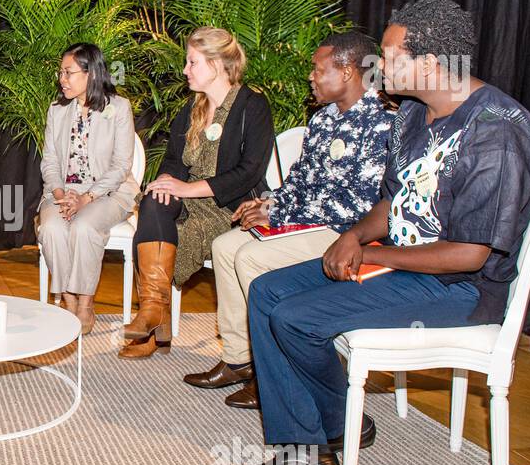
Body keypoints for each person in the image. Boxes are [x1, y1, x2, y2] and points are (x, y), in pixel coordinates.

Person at [230, 0, 530, 465]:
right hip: (404, 268)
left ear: (431, 64)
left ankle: (313, 450)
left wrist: (368, 253)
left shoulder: (496, 135)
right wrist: (355, 234)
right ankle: (332, 425)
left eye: (392, 55)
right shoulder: (415, 114)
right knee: (269, 291)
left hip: (460, 289)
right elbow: (394, 202)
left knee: (295, 319)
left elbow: (469, 254)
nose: (379, 65)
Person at [184, 31, 392, 409]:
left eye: (318, 69)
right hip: (308, 223)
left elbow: (353, 206)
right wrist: (268, 204)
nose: (311, 77)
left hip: (345, 236)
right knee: (225, 245)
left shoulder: (381, 124)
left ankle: (275, 371)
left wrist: (280, 212)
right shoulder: (324, 119)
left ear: (346, 72)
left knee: (250, 257)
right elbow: (300, 180)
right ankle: (239, 359)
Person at [119, 27, 273, 359]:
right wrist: (165, 182)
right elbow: (175, 161)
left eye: (193, 62)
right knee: (153, 201)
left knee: (157, 227)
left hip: (230, 207)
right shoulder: (192, 108)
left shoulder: (253, 105)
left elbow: (250, 172)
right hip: (189, 201)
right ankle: (152, 311)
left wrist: (186, 188)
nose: (185, 70)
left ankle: (155, 323)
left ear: (217, 64)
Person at [37, 43, 138, 334]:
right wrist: (59, 194)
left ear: (91, 73)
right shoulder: (57, 110)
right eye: (60, 72)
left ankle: (86, 302)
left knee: (83, 226)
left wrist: (86, 197)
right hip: (63, 192)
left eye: (68, 72)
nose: (62, 79)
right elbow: (50, 161)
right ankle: (69, 300)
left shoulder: (118, 108)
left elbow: (121, 165)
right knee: (53, 228)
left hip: (108, 192)